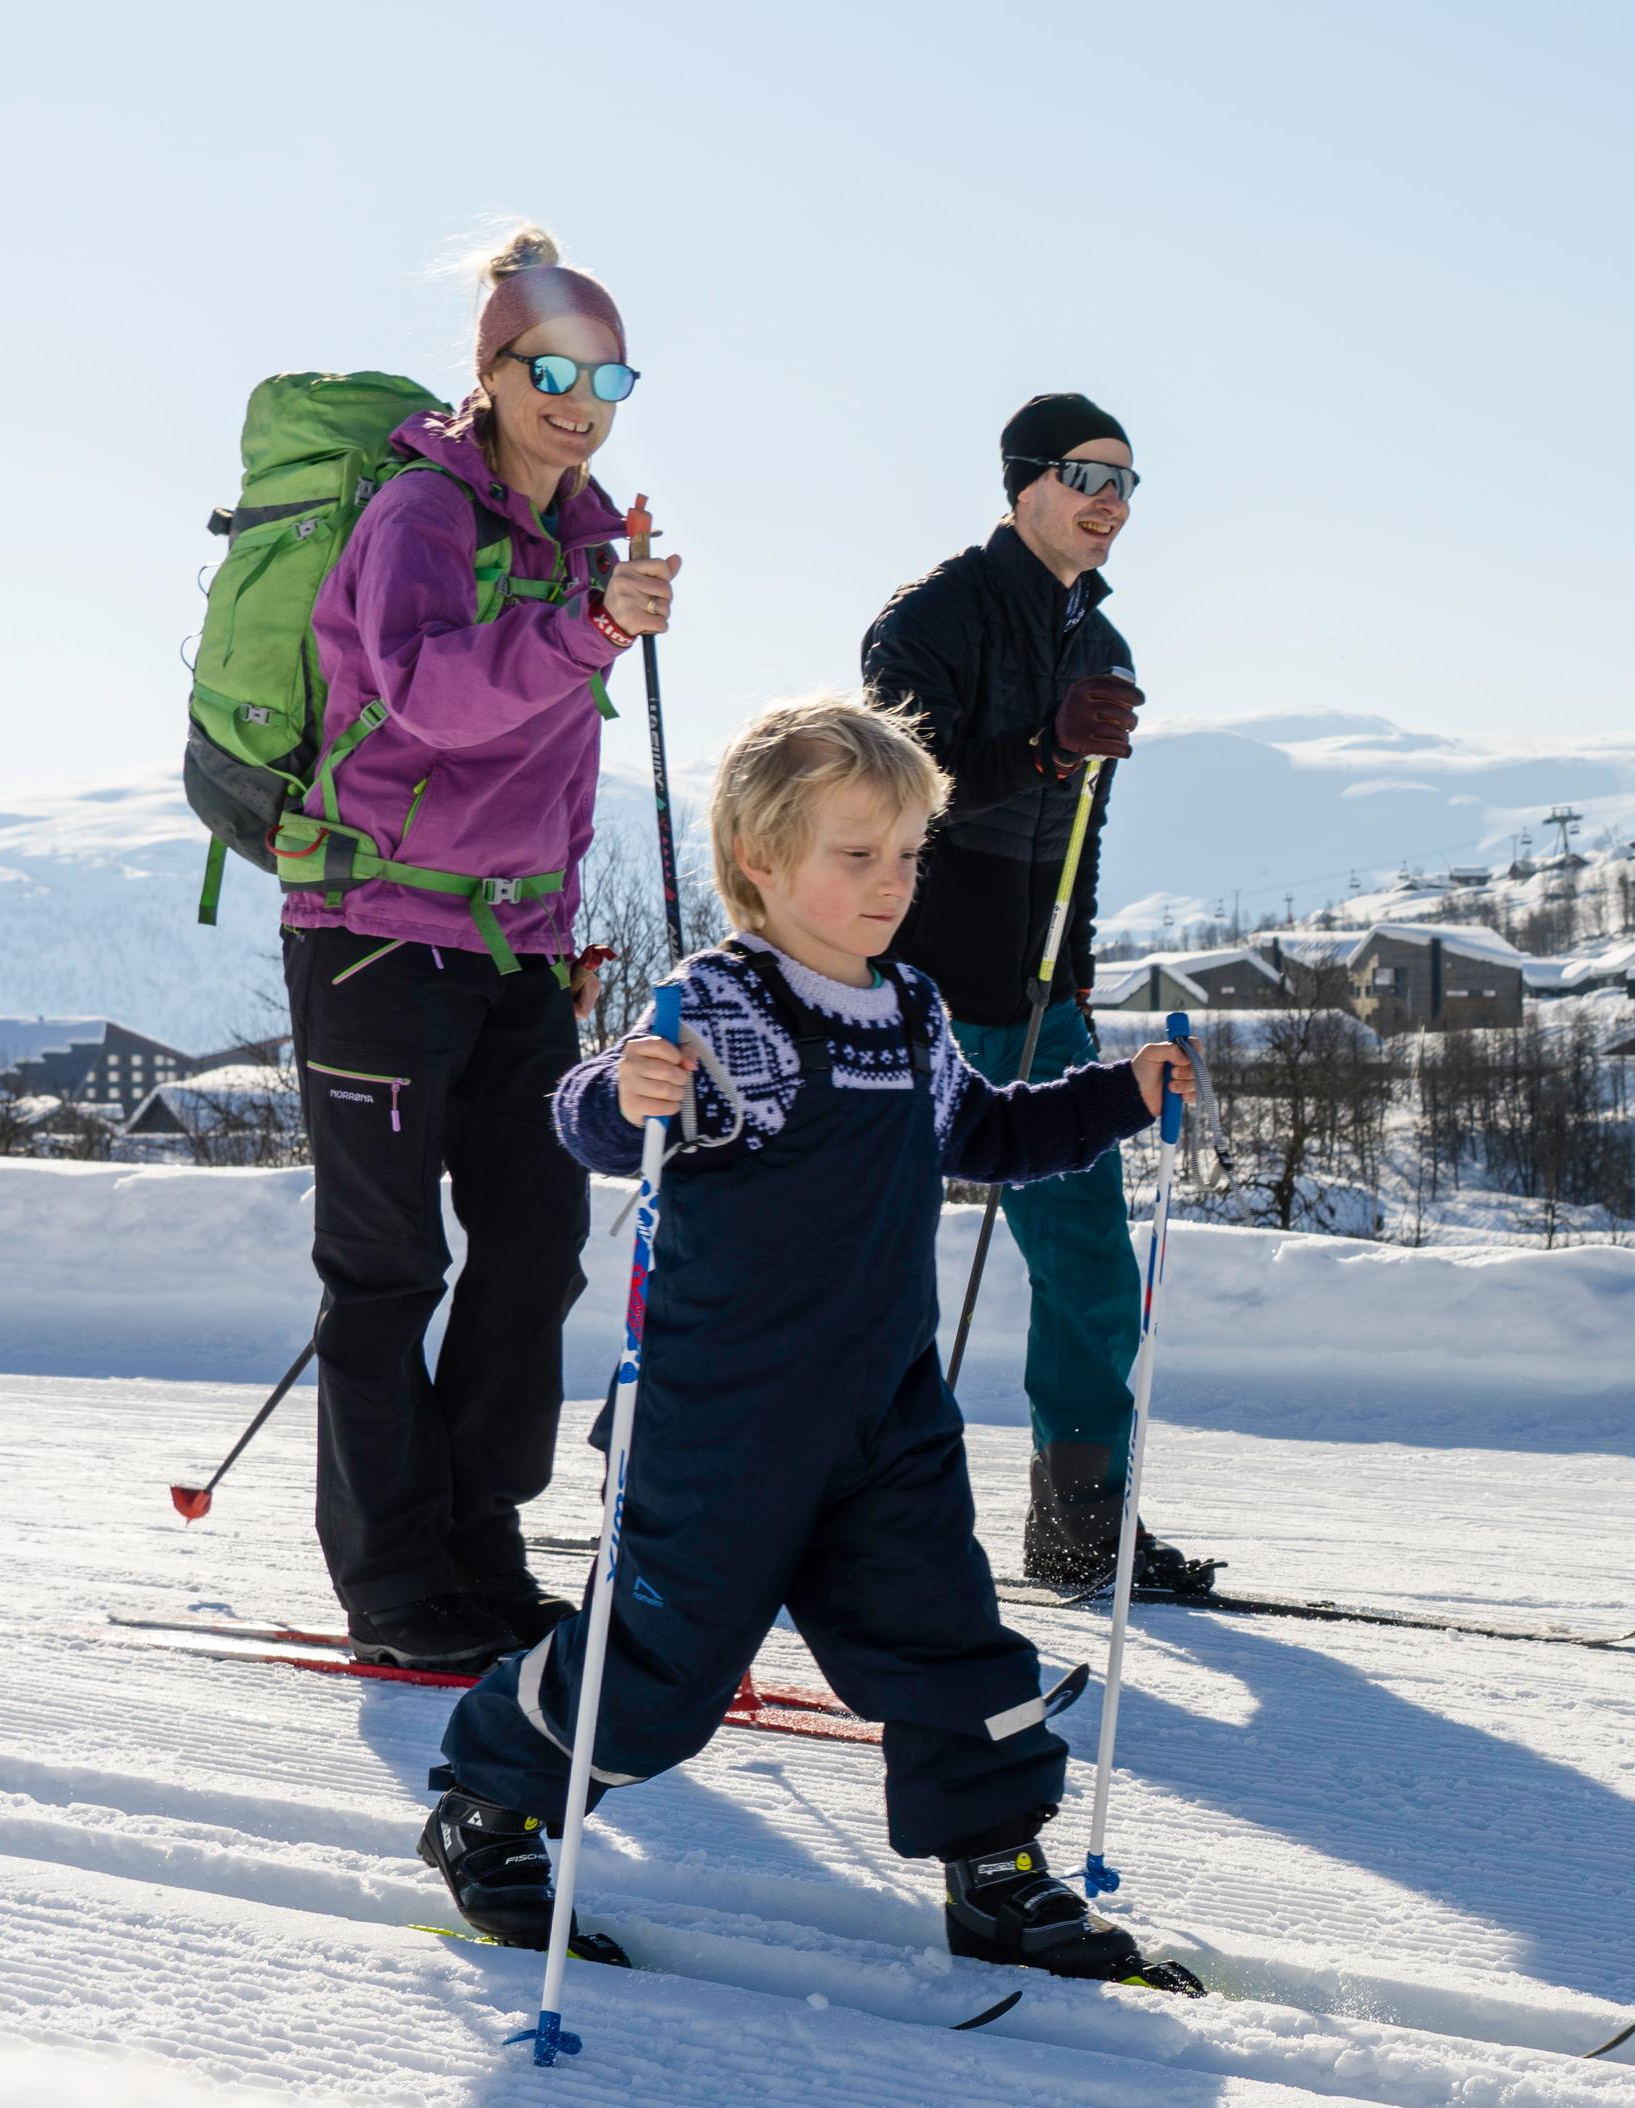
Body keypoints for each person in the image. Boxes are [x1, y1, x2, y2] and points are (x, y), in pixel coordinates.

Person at [418, 694, 1202, 1994]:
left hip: (882, 1414)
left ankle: (998, 1875)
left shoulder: (908, 1011)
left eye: (906, 855)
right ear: (761, 865)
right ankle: (491, 1802)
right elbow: (593, 1120)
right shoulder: (718, 1006)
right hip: (719, 1422)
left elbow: (990, 1137)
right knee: (661, 1673)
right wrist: (624, 1090)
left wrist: (1120, 1093)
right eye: (858, 856)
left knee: (948, 1638)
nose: (893, 884)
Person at [286, 224, 680, 1672]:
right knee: (388, 1269)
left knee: (536, 1246)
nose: (582, 397)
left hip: (519, 952)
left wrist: (563, 928)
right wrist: (587, 630)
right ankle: (393, 1578)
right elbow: (433, 701)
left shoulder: (587, 535)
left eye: (609, 372)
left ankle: (479, 1539)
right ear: (495, 372)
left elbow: (550, 765)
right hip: (374, 938)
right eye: (554, 368)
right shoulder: (419, 514)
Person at [863, 393, 1217, 1595]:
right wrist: (1044, 749)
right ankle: (812, 1495)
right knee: (858, 1254)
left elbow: (1080, 834)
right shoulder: (931, 617)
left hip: (1035, 994)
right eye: (1085, 475)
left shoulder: (1101, 647)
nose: (1110, 501)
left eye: (1127, 482)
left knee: (1088, 1261)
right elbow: (892, 801)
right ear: (1022, 482)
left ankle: (1080, 1522)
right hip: (905, 985)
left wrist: (1070, 972)